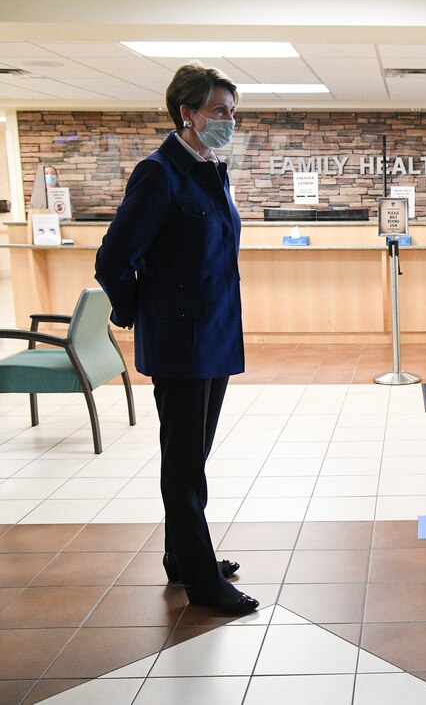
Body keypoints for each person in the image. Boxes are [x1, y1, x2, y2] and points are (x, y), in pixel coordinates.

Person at [95, 62, 257, 616]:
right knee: (183, 464)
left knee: (196, 455)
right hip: (181, 343)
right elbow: (114, 258)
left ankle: (179, 556)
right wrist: (139, 311)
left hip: (213, 335)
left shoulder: (211, 169)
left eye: (232, 112)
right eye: (220, 112)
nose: (229, 122)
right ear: (187, 113)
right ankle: (201, 581)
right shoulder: (159, 173)